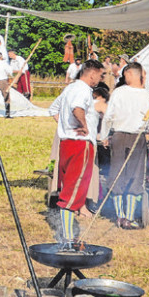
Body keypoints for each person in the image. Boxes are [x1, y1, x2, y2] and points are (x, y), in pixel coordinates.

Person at [48, 60, 105, 243]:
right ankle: (67, 236)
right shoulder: (82, 90)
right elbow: (77, 108)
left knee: (69, 186)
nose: (100, 78)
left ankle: (68, 232)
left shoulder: (69, 88)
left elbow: (53, 109)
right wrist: (83, 126)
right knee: (74, 189)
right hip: (81, 144)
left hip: (66, 143)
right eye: (100, 74)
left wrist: (65, 127)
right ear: (92, 74)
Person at [98, 63, 149, 229]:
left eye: (125, 75)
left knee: (125, 174)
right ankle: (125, 217)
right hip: (134, 137)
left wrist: (104, 136)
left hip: (125, 137)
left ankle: (123, 216)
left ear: (130, 74)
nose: (124, 78)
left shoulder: (121, 93)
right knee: (127, 175)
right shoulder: (147, 96)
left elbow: (108, 116)